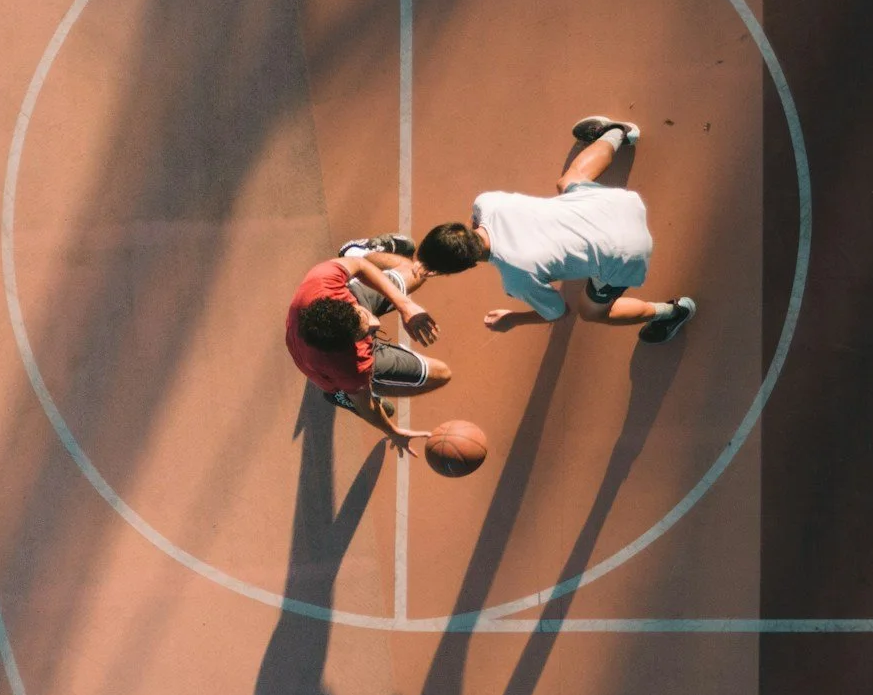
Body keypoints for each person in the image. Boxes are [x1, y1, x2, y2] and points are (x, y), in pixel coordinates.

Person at [415, 116, 696, 341]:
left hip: (628, 251)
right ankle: (618, 132)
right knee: (568, 181)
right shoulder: (487, 203)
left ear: (465, 266)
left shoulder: (517, 279)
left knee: (592, 311)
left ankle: (674, 311)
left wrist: (513, 318)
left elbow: (557, 312)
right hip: (618, 204)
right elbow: (473, 223)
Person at [285, 247, 447, 450]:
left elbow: (360, 265)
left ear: (343, 303)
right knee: (441, 374)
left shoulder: (322, 281)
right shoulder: (351, 366)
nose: (376, 323)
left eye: (364, 315)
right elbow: (367, 406)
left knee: (416, 272)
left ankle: (354, 248)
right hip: (334, 372)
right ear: (348, 344)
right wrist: (393, 431)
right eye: (366, 333)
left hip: (323, 336)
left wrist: (404, 305)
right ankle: (343, 394)